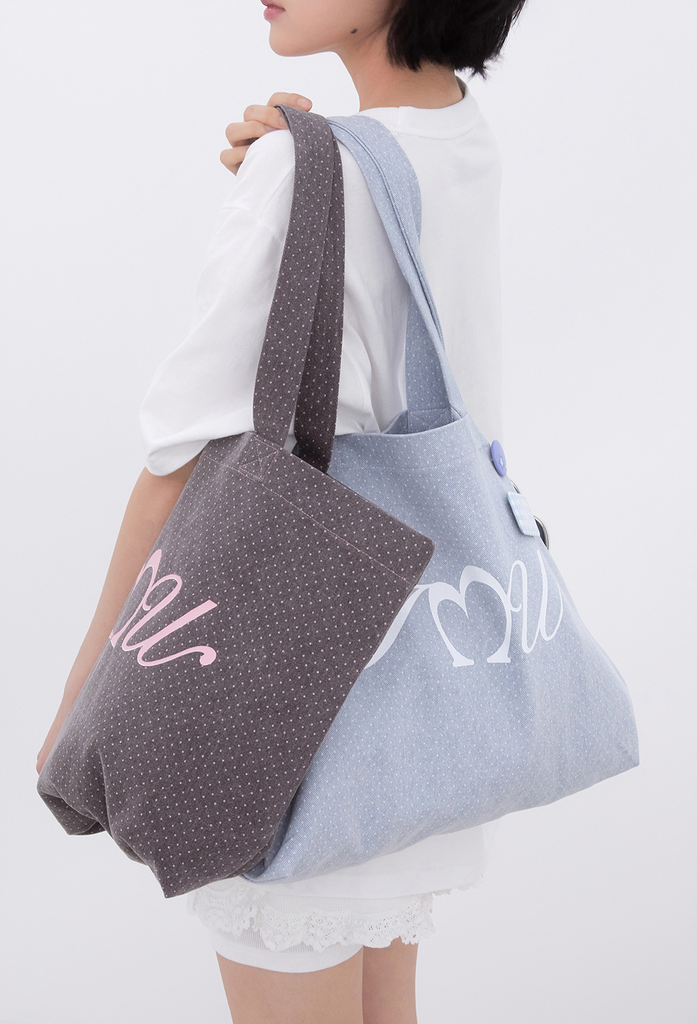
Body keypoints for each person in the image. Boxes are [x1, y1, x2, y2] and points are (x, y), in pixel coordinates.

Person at [36, 0, 528, 1020]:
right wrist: (305, 162)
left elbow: (177, 462)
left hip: (281, 703)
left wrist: (86, 695)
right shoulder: (462, 139)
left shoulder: (315, 168)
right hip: (429, 694)